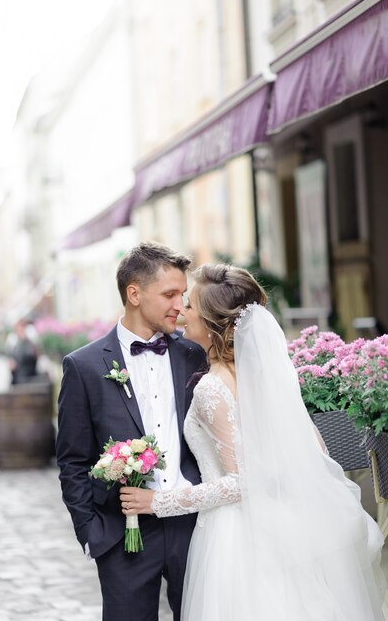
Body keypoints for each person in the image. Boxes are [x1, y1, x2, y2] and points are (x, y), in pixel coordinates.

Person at [121, 263, 386, 621]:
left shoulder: (211, 388)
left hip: (235, 537)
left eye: (191, 305)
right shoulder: (265, 377)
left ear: (214, 323)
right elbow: (315, 452)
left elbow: (241, 481)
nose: (182, 311)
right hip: (278, 523)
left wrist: (158, 502)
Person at [56, 243, 207, 621]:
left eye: (182, 294)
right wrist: (91, 534)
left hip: (193, 525)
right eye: (170, 294)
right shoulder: (84, 366)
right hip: (123, 537)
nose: (179, 304)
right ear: (134, 294)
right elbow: (72, 459)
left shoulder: (194, 354)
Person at [7, 319, 39, 384]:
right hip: (18, 376)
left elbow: (35, 354)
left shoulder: (31, 337)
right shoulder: (12, 340)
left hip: (31, 375)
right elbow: (10, 360)